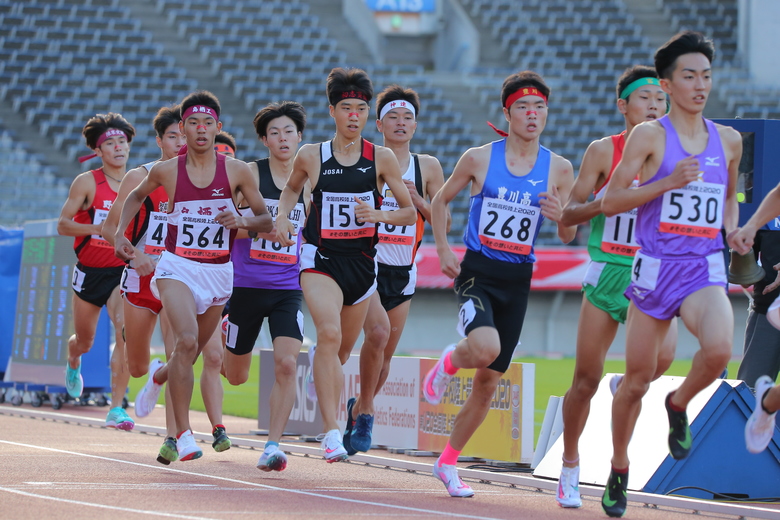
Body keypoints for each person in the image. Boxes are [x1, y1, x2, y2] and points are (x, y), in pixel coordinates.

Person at [599, 31, 742, 517]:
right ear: (667, 83)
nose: (700, 85)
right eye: (689, 76)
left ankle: (679, 403)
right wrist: (664, 183)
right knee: (635, 382)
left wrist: (734, 230)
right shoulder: (650, 136)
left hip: (704, 267)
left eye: (706, 75)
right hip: (656, 269)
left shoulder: (728, 140)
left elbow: (726, 200)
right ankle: (619, 466)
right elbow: (612, 201)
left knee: (720, 349)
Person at [424, 71, 576, 497]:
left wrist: (560, 215)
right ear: (507, 113)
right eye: (524, 107)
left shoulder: (559, 168)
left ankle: (448, 462)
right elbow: (440, 200)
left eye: (540, 107)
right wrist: (443, 249)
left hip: (518, 278)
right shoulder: (479, 158)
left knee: (489, 381)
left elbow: (567, 233)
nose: (532, 115)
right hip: (478, 271)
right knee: (485, 348)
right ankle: (449, 363)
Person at [113, 91, 273, 463]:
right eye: (193, 124)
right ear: (182, 129)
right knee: (185, 340)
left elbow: (266, 220)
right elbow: (135, 197)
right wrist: (122, 234)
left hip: (217, 271)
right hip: (176, 266)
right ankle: (182, 434)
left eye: (208, 124)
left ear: (218, 128)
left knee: (192, 351)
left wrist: (243, 221)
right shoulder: (166, 170)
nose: (201, 130)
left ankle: (158, 377)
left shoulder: (237, 170)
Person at [275, 68, 416, 463]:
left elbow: (407, 213)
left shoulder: (381, 158)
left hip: (362, 265)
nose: (354, 115)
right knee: (330, 334)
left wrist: (377, 215)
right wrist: (284, 217)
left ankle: (336, 401)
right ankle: (332, 432)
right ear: (332, 111)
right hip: (319, 259)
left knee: (337, 355)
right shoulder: (311, 155)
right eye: (346, 108)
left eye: (360, 108)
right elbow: (289, 191)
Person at [555, 66, 678, 508]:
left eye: (659, 99)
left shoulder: (674, 152)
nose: (653, 106)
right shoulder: (603, 151)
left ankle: (623, 387)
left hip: (656, 272)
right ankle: (570, 463)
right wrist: (599, 203)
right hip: (609, 268)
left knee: (660, 361)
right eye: (644, 98)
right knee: (585, 379)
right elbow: (569, 217)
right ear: (623, 105)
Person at [103, 105, 230, 462]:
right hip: (142, 278)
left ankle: (179, 437)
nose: (180, 141)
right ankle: (153, 376)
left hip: (181, 275)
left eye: (183, 134)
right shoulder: (141, 177)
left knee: (184, 352)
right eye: (172, 136)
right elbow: (110, 230)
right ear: (160, 140)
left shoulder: (204, 176)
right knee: (139, 364)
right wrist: (133, 255)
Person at [343, 85, 447, 455]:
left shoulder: (428, 166)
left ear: (415, 126)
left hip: (404, 269)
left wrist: (417, 199)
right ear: (379, 123)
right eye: (393, 117)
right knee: (376, 334)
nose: (401, 123)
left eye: (408, 118)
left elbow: (443, 217)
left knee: (384, 354)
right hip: (367, 264)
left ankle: (360, 406)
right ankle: (366, 411)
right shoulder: (366, 160)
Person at [220, 101, 309, 472]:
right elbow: (226, 222)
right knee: (236, 376)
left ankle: (273, 445)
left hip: (289, 288)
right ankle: (216, 348)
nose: (283, 138)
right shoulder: (250, 175)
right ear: (264, 140)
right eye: (275, 132)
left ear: (300, 137)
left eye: (289, 131)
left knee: (288, 363)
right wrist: (264, 227)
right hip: (244, 287)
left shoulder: (310, 179)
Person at [58, 112, 136, 430]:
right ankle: (72, 358)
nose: (118, 147)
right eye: (111, 143)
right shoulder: (88, 182)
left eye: (122, 142)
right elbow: (63, 224)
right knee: (86, 342)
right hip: (90, 271)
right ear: (99, 151)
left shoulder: (138, 182)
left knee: (123, 331)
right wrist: (98, 227)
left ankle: (117, 407)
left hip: (121, 270)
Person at [730, 182, 780, 454]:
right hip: (767, 310)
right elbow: (742, 258)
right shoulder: (763, 199)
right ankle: (741, 464)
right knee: (748, 394)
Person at [736, 226, 780, 389]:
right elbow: (744, 277)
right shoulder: (762, 210)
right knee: (749, 392)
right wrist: (741, 265)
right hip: (766, 310)